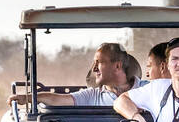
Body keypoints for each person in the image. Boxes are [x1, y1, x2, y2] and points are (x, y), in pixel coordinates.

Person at [9, 43, 147, 107]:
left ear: (117, 66)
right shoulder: (92, 95)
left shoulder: (148, 89)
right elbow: (58, 100)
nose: (94, 69)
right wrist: (28, 97)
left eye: (98, 63)